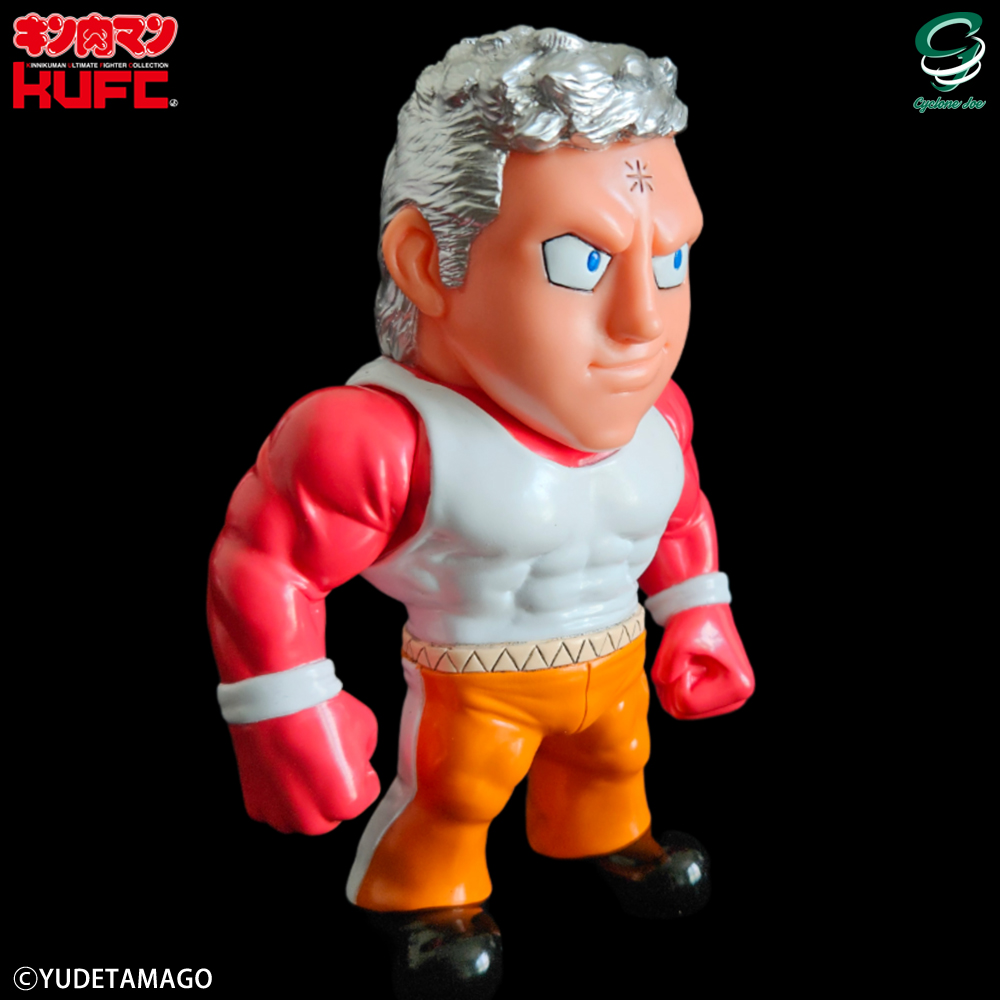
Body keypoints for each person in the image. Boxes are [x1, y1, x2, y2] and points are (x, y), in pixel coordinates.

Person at [208, 26, 755, 1000]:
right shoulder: (384, 437)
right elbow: (266, 563)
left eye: (671, 260)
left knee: (619, 753)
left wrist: (698, 612)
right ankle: (425, 895)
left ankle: (606, 831)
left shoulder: (659, 419)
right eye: (580, 261)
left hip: (613, 660)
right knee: (459, 788)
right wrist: (283, 709)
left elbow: (680, 517)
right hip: (479, 680)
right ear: (428, 263)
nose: (642, 321)